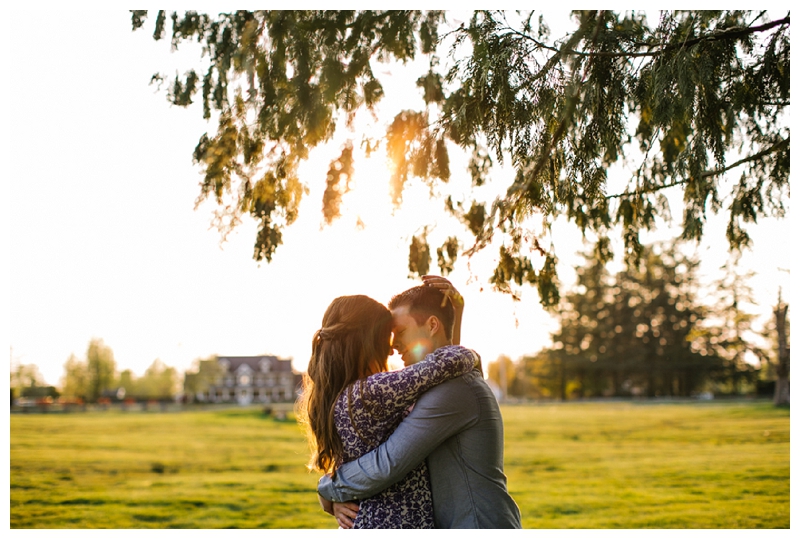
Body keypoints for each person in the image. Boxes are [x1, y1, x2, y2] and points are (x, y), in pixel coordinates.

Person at [317, 279, 522, 529]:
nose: (392, 345)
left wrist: (329, 488)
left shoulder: (454, 391)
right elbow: (443, 361)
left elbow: (388, 463)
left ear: (432, 324)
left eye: (400, 332)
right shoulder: (440, 386)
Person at [297, 293, 479, 528]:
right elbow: (451, 361)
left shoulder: (341, 396)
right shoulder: (373, 391)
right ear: (366, 340)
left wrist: (330, 495)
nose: (392, 349)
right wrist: (472, 353)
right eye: (386, 337)